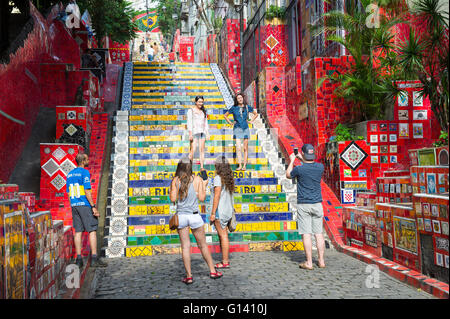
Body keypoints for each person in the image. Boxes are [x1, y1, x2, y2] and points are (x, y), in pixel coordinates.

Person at [169, 158, 223, 284]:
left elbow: (172, 198)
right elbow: (202, 198)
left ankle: (189, 276)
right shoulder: (198, 179)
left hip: (181, 216)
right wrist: (202, 186)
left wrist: (176, 190)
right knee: (203, 245)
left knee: (185, 247)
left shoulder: (176, 180)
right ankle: (212, 271)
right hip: (194, 216)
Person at [286, 144, 326, 270]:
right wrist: (302, 158)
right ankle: (321, 261)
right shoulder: (320, 167)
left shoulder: (299, 169)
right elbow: (310, 164)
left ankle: (309, 262)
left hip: (304, 204)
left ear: (302, 154)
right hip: (317, 204)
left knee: (306, 234)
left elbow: (288, 174)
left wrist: (293, 159)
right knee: (319, 234)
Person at [66, 153, 107, 268]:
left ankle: (79, 259)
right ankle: (94, 259)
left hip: (74, 205)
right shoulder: (85, 173)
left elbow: (69, 193)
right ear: (83, 161)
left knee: (78, 232)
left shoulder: (69, 174)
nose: (88, 160)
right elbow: (87, 191)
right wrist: (93, 206)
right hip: (84, 204)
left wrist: (73, 205)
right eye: (87, 159)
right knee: (92, 231)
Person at [209, 156, 234, 269]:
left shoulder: (218, 178)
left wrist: (213, 213)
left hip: (221, 210)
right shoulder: (228, 178)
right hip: (227, 209)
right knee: (223, 235)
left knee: (223, 235)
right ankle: (225, 260)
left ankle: (225, 261)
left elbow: (217, 196)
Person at [224, 93, 258, 171]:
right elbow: (225, 115)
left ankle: (244, 166)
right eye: (238, 98)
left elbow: (255, 114)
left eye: (241, 98)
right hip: (237, 129)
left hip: (245, 128)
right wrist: (230, 122)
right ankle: (239, 165)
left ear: (243, 98)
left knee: (245, 148)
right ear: (236, 100)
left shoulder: (247, 107)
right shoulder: (234, 108)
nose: (240, 99)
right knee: (238, 148)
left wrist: (251, 121)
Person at [187, 96, 209, 171]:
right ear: (196, 102)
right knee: (193, 150)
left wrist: (207, 132)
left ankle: (202, 167)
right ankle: (189, 168)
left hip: (202, 132)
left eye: (202, 102)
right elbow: (189, 122)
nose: (201, 103)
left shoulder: (203, 111)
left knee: (202, 150)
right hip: (194, 132)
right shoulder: (191, 111)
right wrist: (190, 133)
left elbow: (205, 123)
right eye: (199, 102)